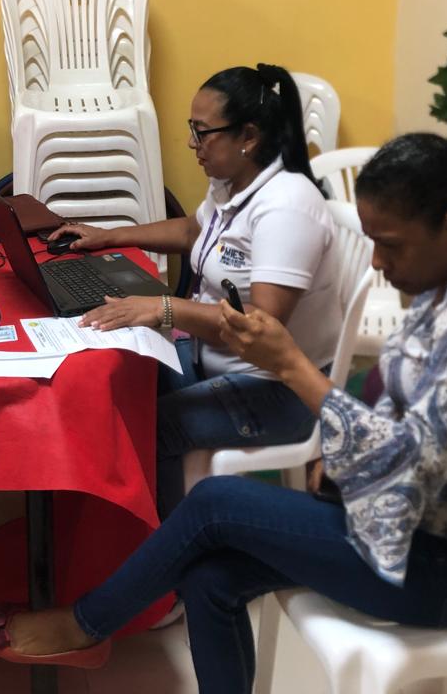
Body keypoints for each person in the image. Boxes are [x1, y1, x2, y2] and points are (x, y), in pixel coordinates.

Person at [0, 133, 447, 693]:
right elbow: (401, 396)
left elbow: (410, 459)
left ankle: (85, 624)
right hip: (402, 518)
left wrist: (291, 365)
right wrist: (339, 460)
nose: (376, 263)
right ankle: (93, 622)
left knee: (215, 503)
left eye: (391, 244)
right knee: (209, 577)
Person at [49, 63, 342, 519]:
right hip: (214, 360)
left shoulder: (286, 207)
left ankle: (170, 542)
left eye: (202, 132)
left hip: (277, 393)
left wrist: (164, 309)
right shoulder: (234, 182)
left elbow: (259, 327)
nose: (192, 143)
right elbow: (193, 230)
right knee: (120, 381)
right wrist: (108, 236)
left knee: (149, 427)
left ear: (248, 136)